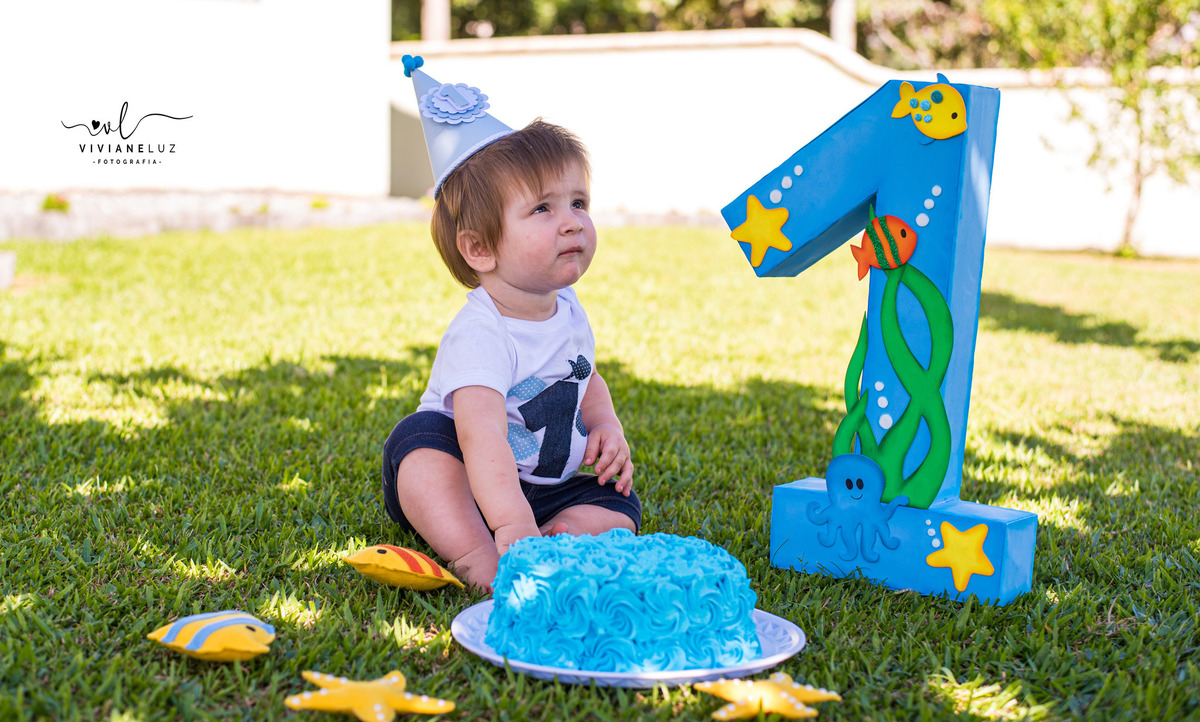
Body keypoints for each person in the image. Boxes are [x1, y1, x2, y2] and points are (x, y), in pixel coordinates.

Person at [382, 57, 641, 590]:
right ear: (480, 248)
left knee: (621, 510)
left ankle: (558, 532)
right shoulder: (482, 332)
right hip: (470, 474)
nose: (571, 221)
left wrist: (606, 425)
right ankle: (477, 552)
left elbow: (584, 376)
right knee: (421, 448)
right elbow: (480, 437)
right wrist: (508, 522)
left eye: (578, 202)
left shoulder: (567, 307)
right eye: (542, 210)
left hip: (546, 481)